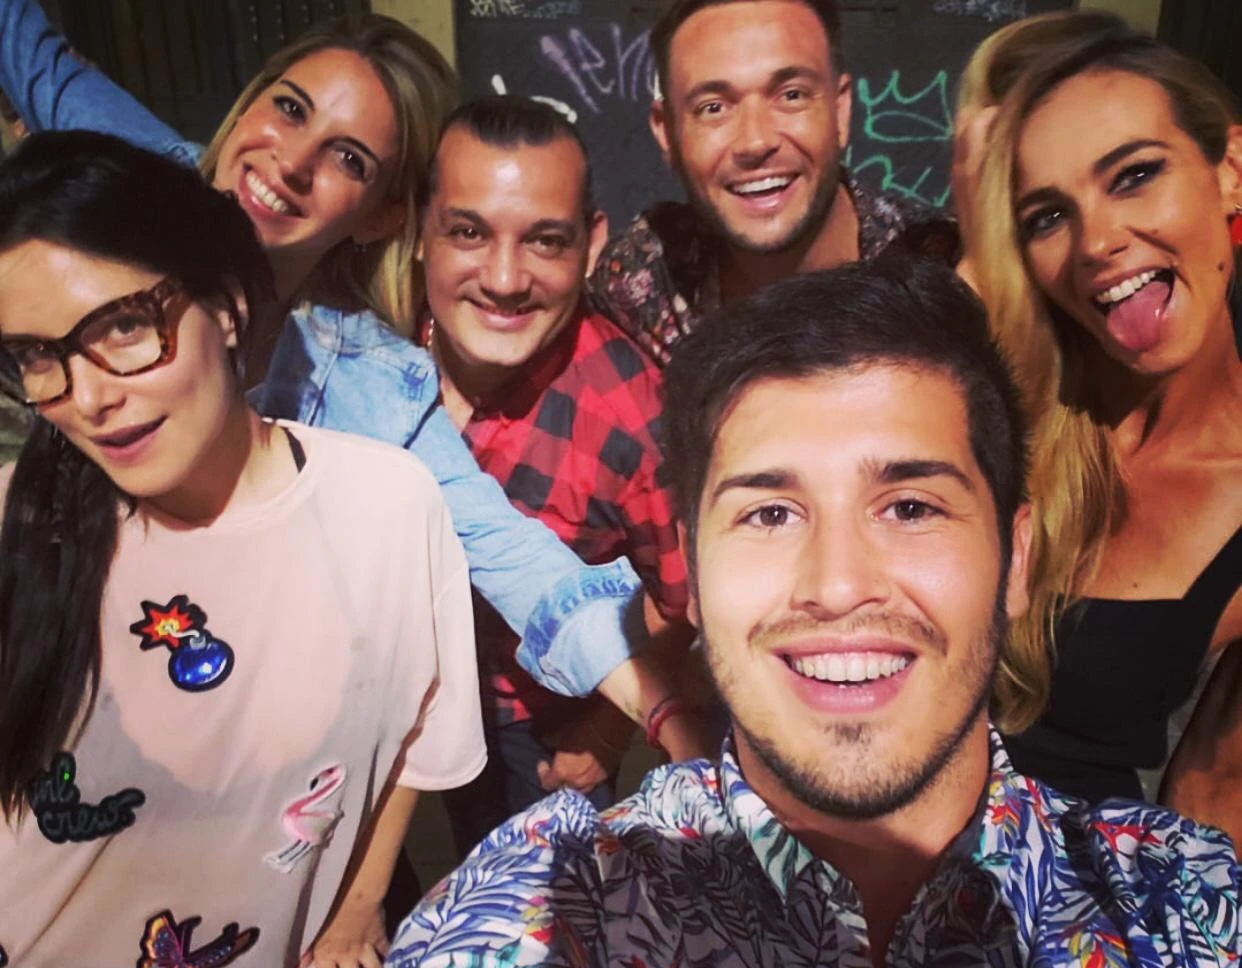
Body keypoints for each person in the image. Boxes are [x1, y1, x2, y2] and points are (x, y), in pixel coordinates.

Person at [363, 260, 1242, 968]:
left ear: (1015, 561)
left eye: (910, 507)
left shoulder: (1188, 909)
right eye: (770, 514)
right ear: (692, 572)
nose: (838, 584)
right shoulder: (556, 893)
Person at [0, 0, 710, 766]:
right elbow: (31, 57)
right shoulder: (144, 178)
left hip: (227, 720)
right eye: (289, 109)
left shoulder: (363, 378)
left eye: (349, 159)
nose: (290, 162)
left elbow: (509, 552)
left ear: (381, 216)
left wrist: (662, 713)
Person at [0, 131, 486, 968]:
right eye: (36, 357)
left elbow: (419, 730)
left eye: (122, 328)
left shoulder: (385, 505)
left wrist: (356, 908)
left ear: (224, 305)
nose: (88, 397)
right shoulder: (19, 525)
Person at [955, 13, 1242, 825]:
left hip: (1073, 893)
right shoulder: (1000, 405)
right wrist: (977, 254)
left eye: (1134, 175)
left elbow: (1215, 800)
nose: (1096, 242)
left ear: (1230, 172)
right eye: (1047, 216)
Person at [414, 96, 693, 855]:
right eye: (468, 233)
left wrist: (603, 731)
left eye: (544, 240)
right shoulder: (370, 352)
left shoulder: (632, 417)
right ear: (418, 230)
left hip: (533, 727)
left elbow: (682, 600)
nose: (505, 279)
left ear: (591, 243)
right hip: (387, 700)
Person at [585, 0, 958, 365]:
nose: (755, 142)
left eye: (792, 95)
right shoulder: (640, 278)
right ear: (667, 133)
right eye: (713, 108)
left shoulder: (947, 269)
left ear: (840, 110)